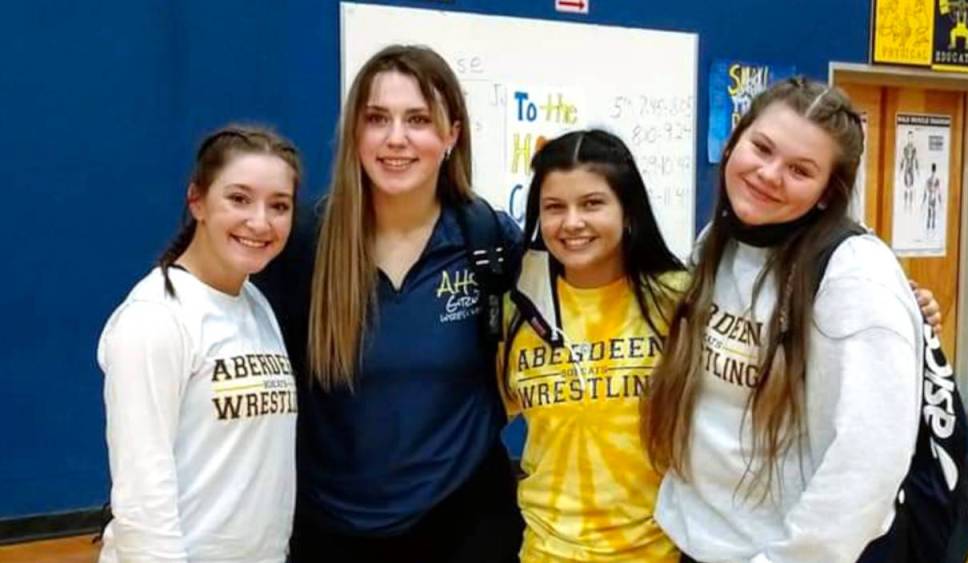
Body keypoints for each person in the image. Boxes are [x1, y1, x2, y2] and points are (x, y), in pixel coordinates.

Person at [256, 45, 523, 562]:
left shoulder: (487, 237)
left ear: (451, 135)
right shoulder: (305, 242)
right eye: (377, 118)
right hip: (331, 524)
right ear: (355, 133)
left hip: (466, 520)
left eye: (418, 119)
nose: (396, 138)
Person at [643, 77, 926, 563]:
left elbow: (868, 461)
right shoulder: (718, 242)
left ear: (824, 193)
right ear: (734, 143)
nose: (769, 174)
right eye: (762, 147)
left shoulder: (856, 277)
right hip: (702, 542)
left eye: (800, 169)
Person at [98, 125, 302, 562]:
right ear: (198, 201)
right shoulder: (155, 318)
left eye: (279, 205)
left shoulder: (255, 304)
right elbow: (141, 499)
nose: (260, 221)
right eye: (239, 198)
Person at [499, 129, 686, 561]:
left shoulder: (677, 301)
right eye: (554, 208)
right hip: (545, 551)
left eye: (592, 203)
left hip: (656, 552)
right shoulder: (519, 309)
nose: (572, 223)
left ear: (628, 211)